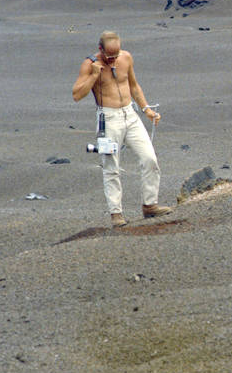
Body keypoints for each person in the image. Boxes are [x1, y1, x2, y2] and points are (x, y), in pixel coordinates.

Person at [72, 30, 173, 227]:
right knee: (111, 167)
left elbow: (134, 86)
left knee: (149, 158)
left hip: (130, 115)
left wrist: (146, 109)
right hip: (108, 119)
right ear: (100, 49)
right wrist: (94, 75)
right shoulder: (89, 64)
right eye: (109, 56)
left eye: (115, 55)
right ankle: (116, 213)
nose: (112, 60)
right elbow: (77, 95)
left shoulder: (126, 57)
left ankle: (150, 205)